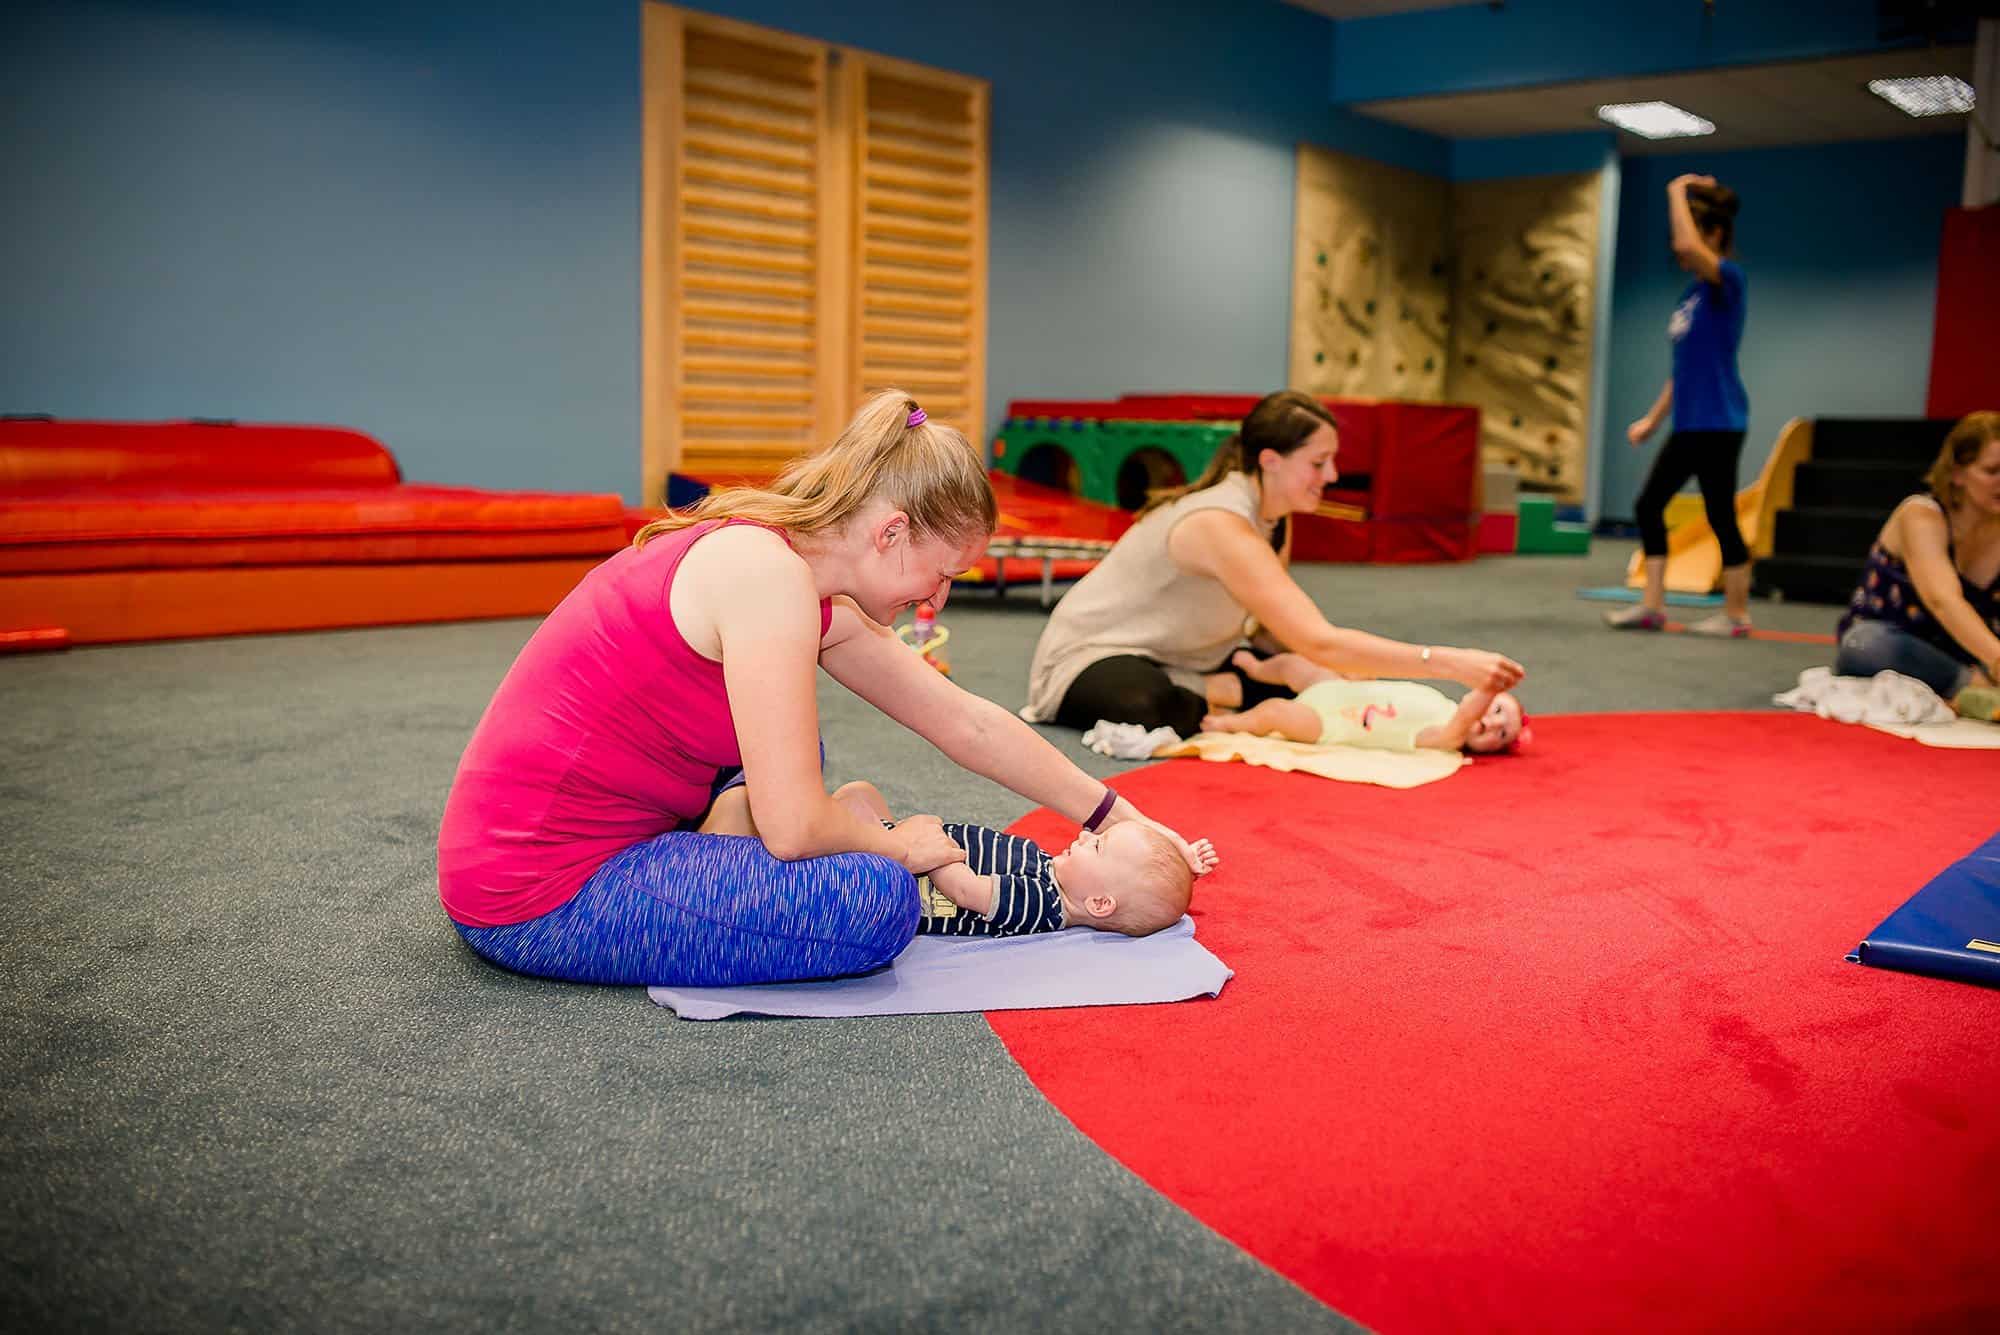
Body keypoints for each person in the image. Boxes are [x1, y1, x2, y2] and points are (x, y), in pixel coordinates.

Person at [436, 390, 1217, 989]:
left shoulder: (798, 577)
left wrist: (1125, 815)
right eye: (939, 574)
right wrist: (894, 842)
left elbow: (963, 722)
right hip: (536, 891)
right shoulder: (766, 579)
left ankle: (723, 837)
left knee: (793, 746)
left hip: (579, 837)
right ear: (890, 532)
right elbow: (795, 831)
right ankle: (746, 844)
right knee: (877, 899)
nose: (935, 602)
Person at [1021, 390, 1525, 737]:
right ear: (1269, 460)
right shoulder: (1220, 523)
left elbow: (1272, 626)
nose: (1331, 474)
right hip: (1090, 659)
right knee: (1148, 707)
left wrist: (1335, 674)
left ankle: (1226, 689)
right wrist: (1452, 663)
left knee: (1311, 679)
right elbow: (1317, 637)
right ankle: (1229, 690)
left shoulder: (1275, 515)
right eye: (1318, 462)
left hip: (1188, 655)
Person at [701, 780, 1192, 938]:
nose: (1086, 837)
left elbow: (964, 891)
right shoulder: (1053, 872)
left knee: (748, 808)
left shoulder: (1042, 902)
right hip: (910, 846)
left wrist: (934, 846)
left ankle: (718, 869)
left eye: (1099, 847)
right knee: (858, 794)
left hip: (908, 873)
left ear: (1101, 903)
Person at [1608, 174, 1755, 637]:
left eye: (1690, 232)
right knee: (1650, 505)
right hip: (1691, 423)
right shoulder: (1691, 296)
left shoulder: (1727, 281)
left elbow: (1690, 249)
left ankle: (1736, 615)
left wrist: (1675, 191)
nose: (1678, 247)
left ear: (1713, 235)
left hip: (1719, 422)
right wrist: (1652, 420)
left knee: (1718, 516)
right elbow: (1683, 369)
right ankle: (1652, 606)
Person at [1832, 412, 2000, 720]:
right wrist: (1996, 660)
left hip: (1971, 655)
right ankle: (1972, 690)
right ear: (1957, 473)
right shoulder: (1921, 516)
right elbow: (1943, 601)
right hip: (1901, 647)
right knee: (1865, 644)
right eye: (1992, 471)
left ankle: (1971, 692)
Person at [1198, 650, 1528, 754]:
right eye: (1498, 710)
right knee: (1293, 665)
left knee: (1275, 713)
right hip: (1338, 691)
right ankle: (1258, 669)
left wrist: (1489, 687)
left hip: (1329, 723)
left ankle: (1229, 723)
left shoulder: (1444, 737)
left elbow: (1467, 716)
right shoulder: (1441, 702)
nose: (1494, 723)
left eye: (1501, 734)